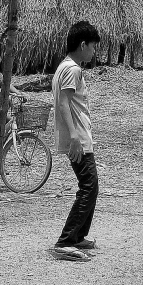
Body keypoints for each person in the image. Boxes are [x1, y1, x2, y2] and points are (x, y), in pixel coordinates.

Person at [50, 21, 102, 262]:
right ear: (82, 45)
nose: (94, 52)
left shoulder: (63, 67)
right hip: (78, 137)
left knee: (90, 185)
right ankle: (66, 241)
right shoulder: (73, 69)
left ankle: (79, 235)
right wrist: (74, 136)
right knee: (89, 186)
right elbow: (64, 103)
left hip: (79, 136)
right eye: (92, 47)